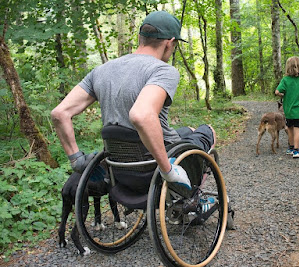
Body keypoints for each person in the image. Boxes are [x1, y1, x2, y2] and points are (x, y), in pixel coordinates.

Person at [51, 10, 216, 189]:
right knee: (208, 131)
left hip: (119, 167)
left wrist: (76, 161)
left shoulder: (101, 70)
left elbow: (60, 113)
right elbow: (141, 115)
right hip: (155, 165)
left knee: (189, 130)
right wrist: (168, 170)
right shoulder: (162, 70)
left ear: (140, 37)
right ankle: (196, 196)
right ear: (170, 43)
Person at [275, 56, 299, 158]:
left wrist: (282, 95)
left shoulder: (285, 80)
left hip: (288, 110)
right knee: (297, 129)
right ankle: (296, 150)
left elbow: (277, 92)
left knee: (290, 128)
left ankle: (290, 148)